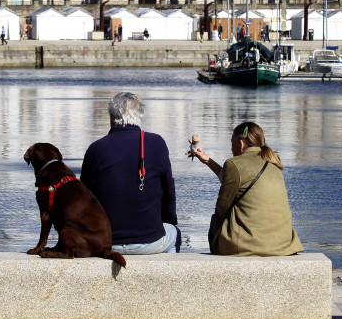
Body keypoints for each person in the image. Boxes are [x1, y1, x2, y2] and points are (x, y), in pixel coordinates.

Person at [80, 92, 179, 254]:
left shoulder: (95, 149)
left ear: (112, 117)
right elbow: (168, 193)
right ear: (139, 117)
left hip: (104, 241)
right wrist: (167, 222)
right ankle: (169, 276)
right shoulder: (157, 143)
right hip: (149, 241)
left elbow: (84, 199)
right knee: (174, 232)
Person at [190, 121, 303, 257]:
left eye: (232, 142)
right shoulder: (273, 163)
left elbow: (222, 208)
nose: (231, 149)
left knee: (217, 218)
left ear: (241, 143)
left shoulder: (234, 163)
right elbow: (240, 179)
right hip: (283, 244)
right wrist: (208, 160)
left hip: (248, 245)